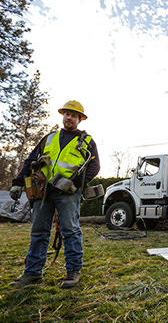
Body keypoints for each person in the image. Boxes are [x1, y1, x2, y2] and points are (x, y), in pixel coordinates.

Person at [9, 100, 100, 289]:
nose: (70, 117)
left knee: (70, 230)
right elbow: (30, 160)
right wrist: (18, 182)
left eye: (74, 115)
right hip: (43, 192)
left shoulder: (87, 141)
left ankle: (73, 271)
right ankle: (33, 272)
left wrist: (75, 183)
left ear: (80, 120)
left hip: (67, 193)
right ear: (63, 116)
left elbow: (94, 166)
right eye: (67, 114)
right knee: (38, 231)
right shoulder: (48, 138)